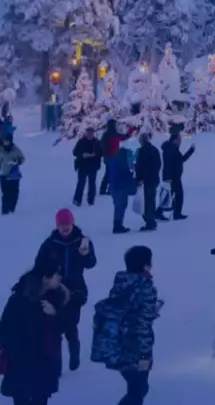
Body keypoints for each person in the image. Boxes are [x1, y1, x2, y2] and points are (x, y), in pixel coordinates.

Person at [92, 245, 162, 405]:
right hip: (136, 347)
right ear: (146, 265)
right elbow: (142, 324)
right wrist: (144, 355)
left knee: (136, 388)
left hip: (118, 344)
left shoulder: (121, 282)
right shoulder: (146, 288)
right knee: (138, 390)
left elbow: (124, 309)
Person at [36, 209, 96, 372]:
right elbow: (39, 265)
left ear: (73, 223)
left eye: (68, 226)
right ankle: (56, 364)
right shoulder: (50, 244)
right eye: (62, 227)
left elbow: (91, 263)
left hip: (75, 289)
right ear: (57, 226)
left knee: (70, 323)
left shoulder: (82, 241)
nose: (65, 230)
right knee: (54, 327)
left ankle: (74, 349)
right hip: (54, 289)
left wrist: (85, 255)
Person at [0, 254, 66, 405]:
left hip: (45, 364)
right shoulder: (19, 300)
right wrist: (15, 348)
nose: (60, 277)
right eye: (57, 274)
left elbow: (64, 327)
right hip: (21, 364)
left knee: (40, 400)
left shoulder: (56, 297)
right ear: (45, 278)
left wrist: (54, 315)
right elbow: (4, 328)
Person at [159, 129, 193, 222]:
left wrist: (190, 151)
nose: (180, 142)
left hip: (173, 176)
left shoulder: (171, 149)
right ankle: (175, 213)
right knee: (176, 195)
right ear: (174, 140)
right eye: (179, 140)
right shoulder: (171, 149)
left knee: (169, 195)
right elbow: (177, 161)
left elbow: (180, 160)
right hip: (172, 177)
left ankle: (163, 212)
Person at [134, 134, 163, 232]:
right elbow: (159, 164)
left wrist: (139, 179)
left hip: (145, 181)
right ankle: (151, 221)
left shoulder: (142, 151)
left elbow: (140, 167)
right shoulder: (154, 150)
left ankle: (149, 222)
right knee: (151, 201)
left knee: (146, 202)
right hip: (154, 179)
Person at [99, 120, 133, 197]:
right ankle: (108, 189)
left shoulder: (107, 134)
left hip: (109, 156)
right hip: (111, 156)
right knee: (111, 173)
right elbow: (125, 137)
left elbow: (124, 137)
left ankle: (104, 189)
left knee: (109, 173)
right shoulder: (111, 134)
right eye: (115, 125)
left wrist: (131, 130)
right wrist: (131, 130)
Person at [107, 145, 136, 235]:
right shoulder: (123, 163)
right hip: (120, 187)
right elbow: (126, 175)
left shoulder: (113, 160)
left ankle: (118, 224)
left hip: (114, 187)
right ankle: (118, 225)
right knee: (121, 206)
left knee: (118, 206)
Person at [72, 128, 103, 208]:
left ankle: (91, 200)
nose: (90, 135)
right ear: (86, 133)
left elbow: (101, 153)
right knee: (81, 183)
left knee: (92, 183)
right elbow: (75, 152)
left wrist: (95, 155)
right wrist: (82, 155)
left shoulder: (96, 142)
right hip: (82, 165)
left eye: (91, 133)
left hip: (93, 166)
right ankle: (77, 200)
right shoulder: (81, 142)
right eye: (88, 133)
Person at [0, 133, 23, 215]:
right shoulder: (1, 150)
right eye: (4, 142)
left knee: (14, 194)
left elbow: (22, 158)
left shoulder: (16, 150)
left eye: (7, 142)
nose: (6, 143)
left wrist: (18, 161)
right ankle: (5, 210)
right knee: (5, 194)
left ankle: (11, 208)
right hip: (4, 175)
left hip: (14, 176)